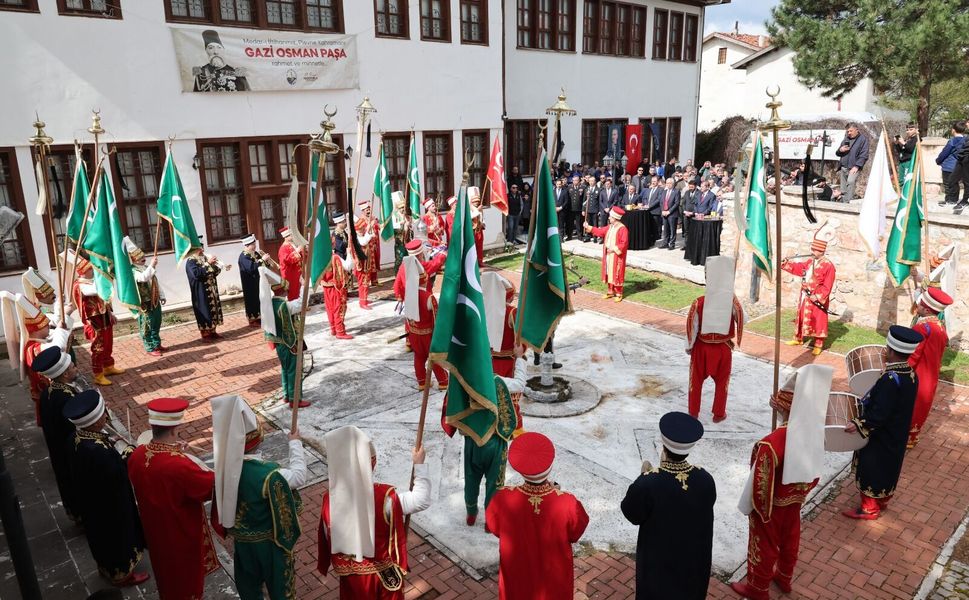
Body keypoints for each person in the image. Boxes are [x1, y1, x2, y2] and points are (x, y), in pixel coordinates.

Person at [731, 365, 830, 600]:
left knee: (764, 544)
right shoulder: (815, 434)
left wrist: (758, 510)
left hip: (772, 504)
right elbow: (815, 470)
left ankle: (757, 589)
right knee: (790, 538)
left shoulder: (772, 442)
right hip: (795, 499)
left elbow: (760, 482)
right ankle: (784, 578)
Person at [317, 426, 432, 599]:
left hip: (351, 577)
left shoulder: (328, 499)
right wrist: (419, 464)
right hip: (382, 578)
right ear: (372, 462)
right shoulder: (384, 498)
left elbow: (326, 535)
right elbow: (421, 500)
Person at [211, 394, 305, 600]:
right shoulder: (268, 474)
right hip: (270, 545)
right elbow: (298, 477)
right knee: (281, 590)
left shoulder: (223, 469)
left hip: (243, 544)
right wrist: (295, 444)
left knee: (249, 589)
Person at [127, 398, 218, 598]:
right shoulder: (179, 466)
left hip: (155, 533)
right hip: (180, 534)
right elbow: (212, 487)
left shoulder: (137, 455)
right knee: (186, 582)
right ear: (175, 430)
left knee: (166, 577)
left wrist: (176, 452)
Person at [621, 412, 715, 600]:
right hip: (693, 562)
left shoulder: (648, 483)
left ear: (663, 446)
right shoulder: (705, 479)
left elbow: (631, 512)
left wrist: (643, 476)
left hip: (659, 565)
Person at [486, 432, 589, 600]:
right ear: (549, 466)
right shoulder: (568, 502)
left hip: (518, 571)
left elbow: (495, 528)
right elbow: (575, 533)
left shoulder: (502, 498)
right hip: (553, 576)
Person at [63, 390, 149, 587]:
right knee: (115, 536)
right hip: (109, 505)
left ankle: (105, 567)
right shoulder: (98, 451)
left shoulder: (76, 437)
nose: (106, 416)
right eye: (103, 414)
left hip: (90, 501)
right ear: (94, 422)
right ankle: (122, 574)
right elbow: (117, 473)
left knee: (98, 536)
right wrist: (127, 454)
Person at [842, 326, 922, 520]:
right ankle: (882, 500)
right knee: (889, 466)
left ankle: (869, 508)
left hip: (882, 434)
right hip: (897, 432)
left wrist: (859, 422)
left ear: (891, 351)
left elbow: (879, 413)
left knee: (873, 466)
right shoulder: (910, 373)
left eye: (887, 348)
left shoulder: (889, 379)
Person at [686, 256, 745, 423]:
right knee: (722, 383)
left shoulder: (699, 302)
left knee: (695, 382)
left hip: (702, 348)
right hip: (722, 348)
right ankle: (719, 414)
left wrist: (689, 346)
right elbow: (743, 318)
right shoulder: (732, 302)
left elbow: (692, 328)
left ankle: (693, 412)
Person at [31, 346, 85, 523]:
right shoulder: (66, 397)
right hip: (70, 450)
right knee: (76, 481)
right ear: (65, 375)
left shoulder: (50, 391)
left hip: (58, 448)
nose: (75, 367)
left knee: (66, 478)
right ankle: (83, 515)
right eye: (72, 367)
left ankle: (75, 512)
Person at [393, 240, 448, 390]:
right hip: (428, 333)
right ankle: (443, 381)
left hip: (412, 318)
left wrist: (399, 296)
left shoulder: (404, 266)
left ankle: (422, 381)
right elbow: (437, 319)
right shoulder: (421, 269)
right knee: (434, 357)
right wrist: (443, 254)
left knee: (418, 356)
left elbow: (396, 284)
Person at [906, 287, 952, 447]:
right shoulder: (939, 326)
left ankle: (905, 437)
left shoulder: (921, 328)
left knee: (912, 403)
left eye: (919, 304)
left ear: (926, 308)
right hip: (931, 373)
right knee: (922, 404)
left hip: (919, 372)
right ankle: (912, 436)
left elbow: (913, 355)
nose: (916, 306)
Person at [780, 226, 836, 355]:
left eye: (816, 250)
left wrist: (818, 296)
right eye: (812, 249)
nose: (813, 251)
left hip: (816, 298)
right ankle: (798, 339)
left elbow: (828, 285)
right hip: (805, 295)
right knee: (801, 316)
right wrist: (785, 264)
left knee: (818, 319)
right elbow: (800, 268)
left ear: (822, 251)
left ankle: (818, 345)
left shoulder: (829, 266)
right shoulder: (810, 261)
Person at [259, 267, 309, 408]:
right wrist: (304, 287)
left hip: (279, 344)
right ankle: (295, 399)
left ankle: (287, 395)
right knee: (294, 370)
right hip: (289, 343)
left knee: (285, 369)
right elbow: (302, 302)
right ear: (283, 290)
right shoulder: (284, 305)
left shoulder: (270, 304)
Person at [72, 252, 123, 385]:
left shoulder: (94, 281)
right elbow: (94, 291)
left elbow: (104, 298)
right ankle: (98, 374)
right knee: (98, 346)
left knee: (108, 342)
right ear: (84, 271)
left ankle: (108, 366)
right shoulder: (79, 285)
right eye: (91, 269)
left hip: (104, 315)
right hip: (93, 319)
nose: (94, 271)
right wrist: (103, 279)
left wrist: (111, 313)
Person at [124, 237, 166, 357]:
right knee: (146, 325)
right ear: (133, 259)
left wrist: (161, 295)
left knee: (157, 322)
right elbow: (143, 278)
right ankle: (149, 347)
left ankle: (157, 343)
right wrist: (152, 266)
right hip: (144, 303)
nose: (143, 259)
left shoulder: (147, 267)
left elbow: (155, 281)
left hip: (154, 300)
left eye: (143, 256)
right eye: (139, 258)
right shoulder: (133, 271)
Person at [584, 206, 629, 302]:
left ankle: (618, 293)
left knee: (617, 273)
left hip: (616, 256)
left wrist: (613, 250)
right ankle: (610, 291)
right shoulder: (610, 227)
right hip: (608, 255)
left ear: (615, 218)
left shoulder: (622, 229)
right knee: (609, 272)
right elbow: (600, 231)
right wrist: (589, 227)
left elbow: (623, 243)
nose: (609, 218)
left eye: (610, 217)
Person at [323, 213, 356, 340]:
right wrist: (349, 253)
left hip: (327, 285)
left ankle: (333, 328)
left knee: (330, 307)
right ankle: (340, 331)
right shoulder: (335, 257)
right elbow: (348, 265)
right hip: (336, 283)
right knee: (338, 307)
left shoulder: (322, 258)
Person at [186, 244, 224, 340]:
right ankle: (205, 333)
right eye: (200, 248)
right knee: (204, 310)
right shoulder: (191, 261)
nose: (202, 250)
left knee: (214, 308)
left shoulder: (205, 258)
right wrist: (208, 264)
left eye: (202, 247)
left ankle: (213, 331)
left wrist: (217, 266)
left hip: (212, 289)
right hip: (200, 291)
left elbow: (213, 272)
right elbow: (196, 274)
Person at [834, 123, 870, 201]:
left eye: (851, 131)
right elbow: (837, 153)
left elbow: (864, 155)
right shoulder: (846, 139)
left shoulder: (863, 139)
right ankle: (843, 202)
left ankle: (848, 203)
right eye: (848, 131)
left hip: (854, 167)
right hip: (843, 167)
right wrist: (841, 150)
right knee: (843, 188)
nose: (849, 133)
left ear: (856, 130)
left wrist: (857, 166)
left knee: (850, 182)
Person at [238, 234, 268, 327]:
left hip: (258, 280)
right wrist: (262, 260)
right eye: (252, 245)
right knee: (252, 299)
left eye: (254, 244)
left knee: (259, 298)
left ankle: (259, 316)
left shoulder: (255, 253)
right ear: (246, 245)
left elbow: (261, 265)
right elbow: (251, 268)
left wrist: (266, 262)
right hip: (249, 283)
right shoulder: (243, 256)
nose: (254, 246)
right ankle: (252, 319)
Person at [354, 200, 379, 310]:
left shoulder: (370, 220)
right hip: (362, 258)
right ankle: (362, 302)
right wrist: (368, 230)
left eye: (369, 209)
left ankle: (364, 299)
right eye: (366, 209)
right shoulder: (360, 225)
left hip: (369, 255)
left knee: (366, 279)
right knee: (363, 280)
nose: (368, 210)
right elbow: (363, 241)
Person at [936, 121, 966, 207]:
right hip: (960, 166)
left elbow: (944, 153)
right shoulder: (965, 141)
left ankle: (949, 200)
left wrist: (938, 160)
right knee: (955, 183)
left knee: (947, 183)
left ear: (953, 130)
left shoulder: (952, 141)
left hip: (949, 166)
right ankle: (954, 199)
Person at [277, 227, 304, 302]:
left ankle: (298, 306)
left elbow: (299, 256)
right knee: (292, 291)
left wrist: (302, 251)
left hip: (295, 272)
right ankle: (293, 307)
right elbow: (288, 260)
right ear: (286, 237)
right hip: (289, 273)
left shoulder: (291, 245)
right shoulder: (283, 248)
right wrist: (298, 251)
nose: (292, 236)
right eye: (290, 235)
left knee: (297, 289)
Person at [659, 178, 680, 250]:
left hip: (672, 214)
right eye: (667, 183)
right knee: (665, 229)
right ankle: (665, 243)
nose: (668, 184)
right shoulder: (664, 191)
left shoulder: (676, 191)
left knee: (672, 229)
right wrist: (662, 210)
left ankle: (672, 244)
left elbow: (676, 203)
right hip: (664, 213)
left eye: (670, 183)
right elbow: (661, 202)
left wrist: (669, 211)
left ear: (673, 184)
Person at [469, 186, 486, 266]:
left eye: (477, 201)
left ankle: (480, 261)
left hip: (479, 230)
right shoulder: (468, 209)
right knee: (473, 246)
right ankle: (473, 262)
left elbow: (483, 217)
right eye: (475, 201)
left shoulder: (480, 208)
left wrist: (483, 223)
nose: (476, 202)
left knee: (480, 246)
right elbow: (470, 217)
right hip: (472, 231)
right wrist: (477, 210)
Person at [568, 176, 585, 241]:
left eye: (576, 180)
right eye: (574, 180)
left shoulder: (582, 187)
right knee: (570, 223)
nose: (575, 181)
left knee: (579, 223)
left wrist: (583, 209)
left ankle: (579, 236)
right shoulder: (569, 187)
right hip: (571, 209)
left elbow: (584, 199)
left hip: (579, 209)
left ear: (579, 181)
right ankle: (569, 236)